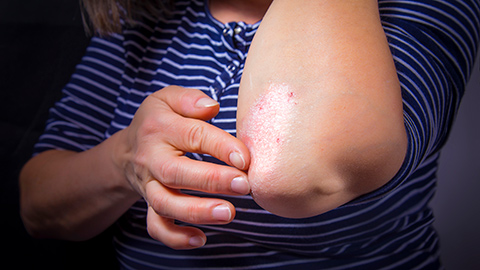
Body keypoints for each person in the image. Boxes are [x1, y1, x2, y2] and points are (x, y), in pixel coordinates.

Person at [19, 0, 479, 269]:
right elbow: (38, 207)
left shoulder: (421, 6)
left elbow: (296, 176)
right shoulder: (146, 14)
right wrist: (125, 158)